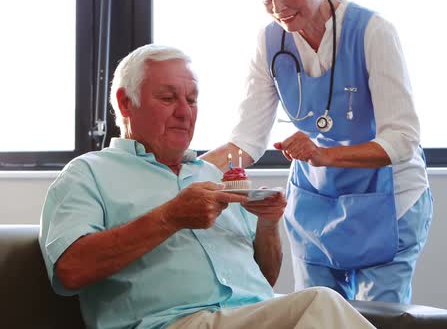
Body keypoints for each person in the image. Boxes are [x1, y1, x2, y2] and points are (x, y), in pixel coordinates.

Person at [38, 44, 375, 329]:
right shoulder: (87, 174)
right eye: (168, 98)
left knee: (316, 309)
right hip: (168, 322)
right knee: (320, 302)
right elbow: (71, 270)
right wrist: (171, 217)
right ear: (126, 103)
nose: (185, 113)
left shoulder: (212, 176)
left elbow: (263, 280)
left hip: (243, 316)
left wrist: (268, 224)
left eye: (192, 100)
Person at [201, 0, 433, 304]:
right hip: (316, 202)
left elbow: (402, 138)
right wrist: (186, 170)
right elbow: (246, 140)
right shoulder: (270, 40)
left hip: (388, 200)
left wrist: (324, 155)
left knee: (380, 319)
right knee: (316, 313)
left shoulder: (373, 31)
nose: (277, 6)